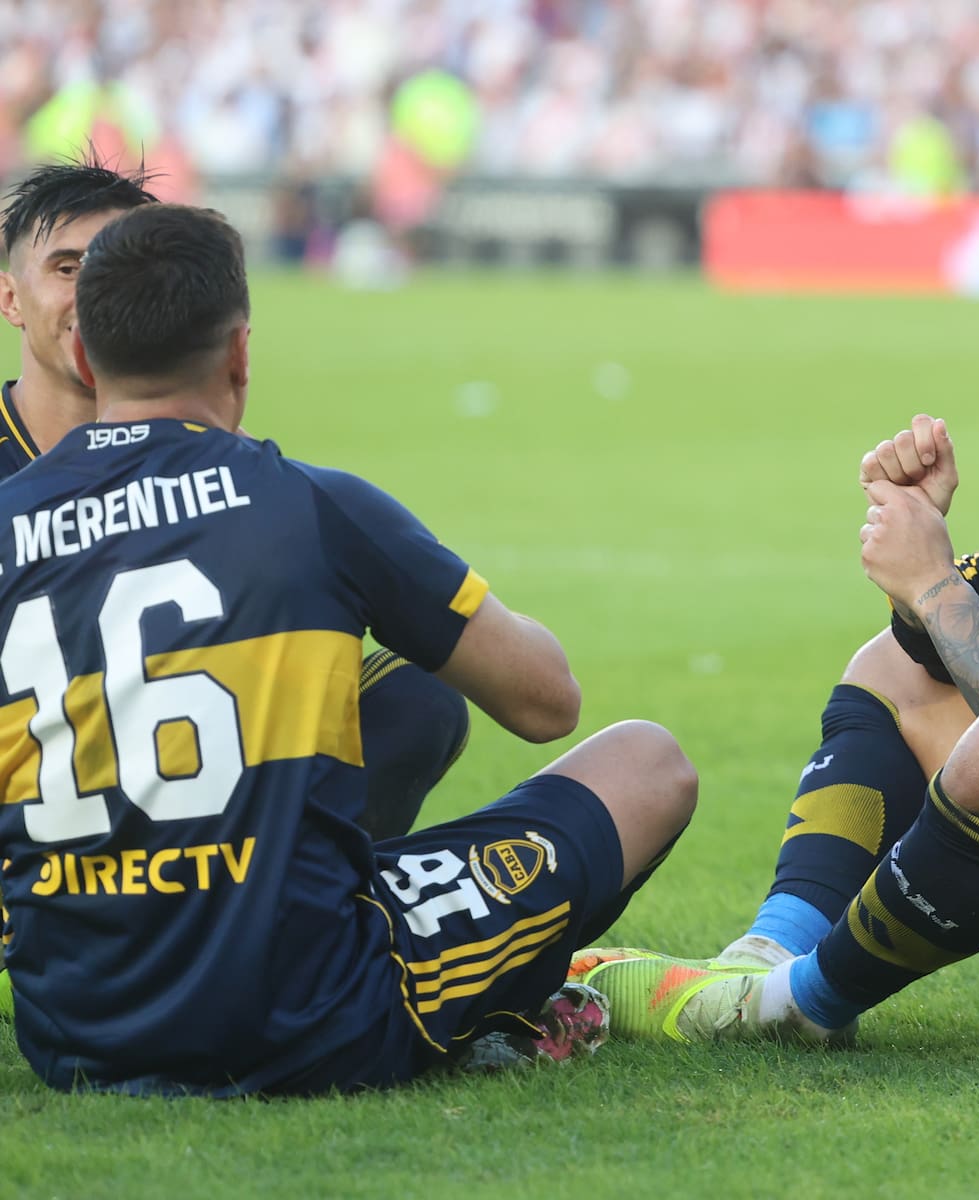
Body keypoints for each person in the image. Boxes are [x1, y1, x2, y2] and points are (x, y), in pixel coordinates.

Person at [0, 202, 697, 1093]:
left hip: (72, 1036)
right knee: (647, 762)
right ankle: (503, 1009)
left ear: (88, 357)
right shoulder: (314, 504)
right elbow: (546, 700)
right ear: (240, 353)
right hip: (314, 1020)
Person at [572, 161, 979, 1052]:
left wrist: (935, 587)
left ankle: (788, 1008)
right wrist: (923, 560)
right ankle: (766, 954)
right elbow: (954, 637)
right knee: (898, 666)